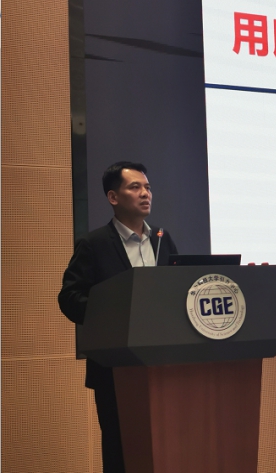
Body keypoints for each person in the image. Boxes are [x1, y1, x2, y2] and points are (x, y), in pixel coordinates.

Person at [59, 161, 178, 473]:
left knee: (167, 448)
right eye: (135, 187)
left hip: (164, 364)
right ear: (113, 197)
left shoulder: (162, 239)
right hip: (115, 369)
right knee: (121, 452)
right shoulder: (94, 244)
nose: (145, 193)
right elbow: (70, 298)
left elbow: (178, 291)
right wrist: (115, 311)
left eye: (147, 187)